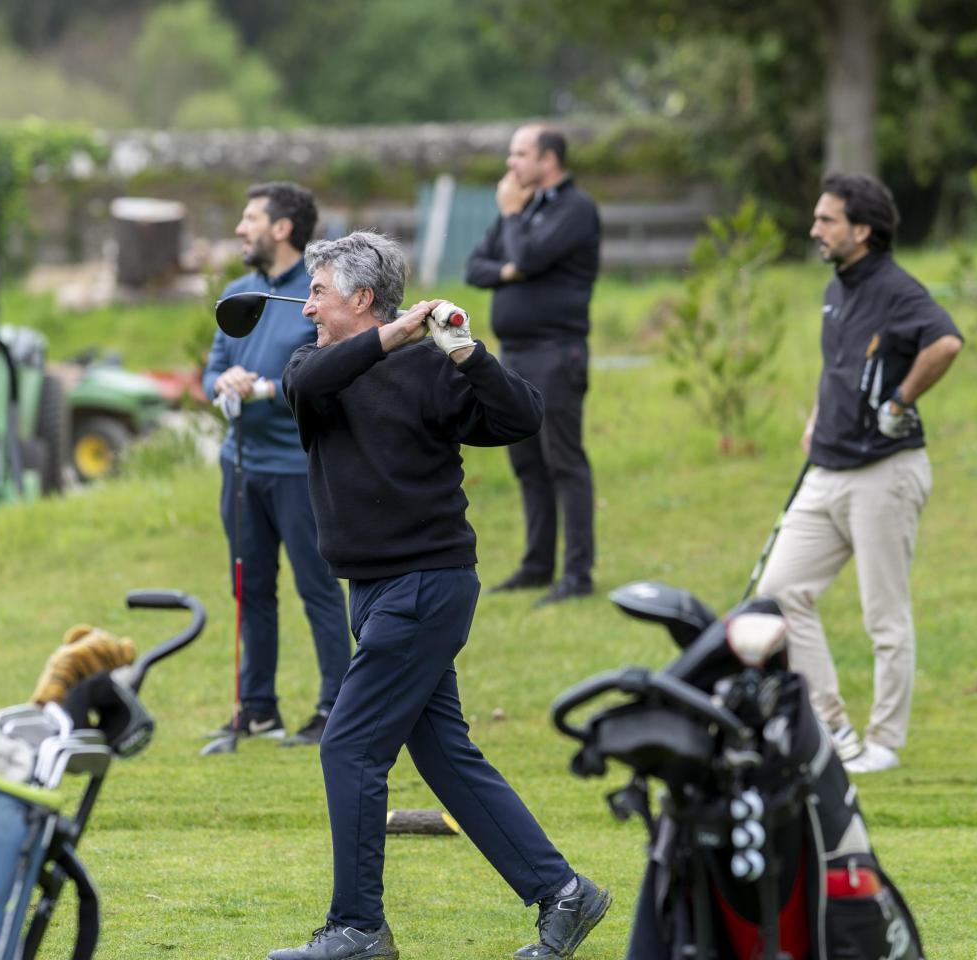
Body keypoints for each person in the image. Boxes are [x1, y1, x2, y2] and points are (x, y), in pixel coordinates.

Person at [269, 232, 610, 960]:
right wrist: (391, 337)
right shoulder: (312, 366)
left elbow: (522, 418)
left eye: (320, 292)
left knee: (350, 747)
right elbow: (306, 386)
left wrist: (467, 352)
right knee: (445, 755)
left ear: (360, 298)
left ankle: (357, 928)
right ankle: (564, 893)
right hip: (377, 591)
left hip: (425, 586)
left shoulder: (431, 371)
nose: (307, 306)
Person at [756, 173, 964, 775]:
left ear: (863, 230)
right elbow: (842, 366)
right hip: (828, 469)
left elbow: (946, 343)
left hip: (886, 474)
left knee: (884, 616)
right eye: (817, 218)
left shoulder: (898, 289)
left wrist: (899, 402)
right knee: (779, 593)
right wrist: (820, 414)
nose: (814, 229)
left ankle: (884, 743)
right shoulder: (836, 287)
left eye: (827, 220)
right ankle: (833, 728)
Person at [202, 182, 351, 748]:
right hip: (240, 466)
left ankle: (335, 707)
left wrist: (266, 387)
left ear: (281, 228)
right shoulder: (238, 292)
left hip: (298, 466)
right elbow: (213, 368)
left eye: (250, 218)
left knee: (318, 588)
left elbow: (329, 368)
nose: (241, 229)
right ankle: (257, 708)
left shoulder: (313, 296)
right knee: (250, 588)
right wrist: (224, 382)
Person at [466, 124, 602, 607]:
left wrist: (511, 220)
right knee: (527, 462)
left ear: (549, 160)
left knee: (564, 462)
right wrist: (510, 269)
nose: (511, 164)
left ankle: (578, 573)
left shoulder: (574, 209)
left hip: (556, 352)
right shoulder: (526, 210)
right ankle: (537, 566)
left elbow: (528, 253)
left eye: (520, 154)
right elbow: (476, 266)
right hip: (516, 353)